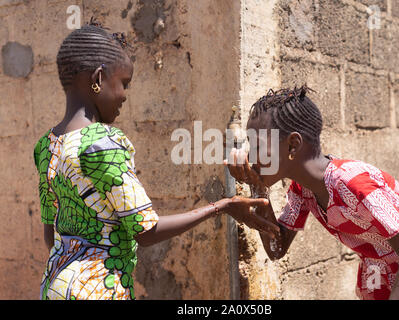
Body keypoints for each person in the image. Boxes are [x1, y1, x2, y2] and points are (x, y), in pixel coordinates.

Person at [33, 21, 279, 300]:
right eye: (124, 83)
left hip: (54, 284)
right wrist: (224, 206)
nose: (125, 96)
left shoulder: (46, 145)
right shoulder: (103, 143)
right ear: (99, 79)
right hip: (96, 289)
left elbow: (50, 235)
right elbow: (146, 230)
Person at [225, 86, 399, 300]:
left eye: (257, 146)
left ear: (293, 146)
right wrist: (257, 187)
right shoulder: (302, 191)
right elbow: (277, 248)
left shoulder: (353, 183)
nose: (250, 156)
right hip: (391, 269)